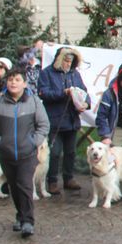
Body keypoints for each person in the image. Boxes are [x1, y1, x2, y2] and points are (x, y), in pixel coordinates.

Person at [0, 67, 50, 237]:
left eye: (17, 80)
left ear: (24, 83)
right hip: (7, 153)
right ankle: (20, 215)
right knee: (14, 186)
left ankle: (28, 222)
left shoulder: (33, 101)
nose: (13, 82)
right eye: (10, 79)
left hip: (27, 153)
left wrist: (35, 141)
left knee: (25, 185)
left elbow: (44, 125)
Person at [37, 47, 90, 195]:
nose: (68, 64)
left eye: (71, 61)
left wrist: (86, 103)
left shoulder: (75, 74)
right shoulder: (46, 73)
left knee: (71, 152)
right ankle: (52, 181)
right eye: (66, 61)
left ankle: (68, 178)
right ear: (59, 59)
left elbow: (84, 92)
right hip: (55, 120)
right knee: (54, 153)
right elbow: (43, 93)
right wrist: (63, 93)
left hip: (72, 120)